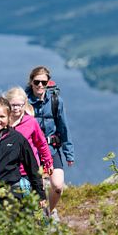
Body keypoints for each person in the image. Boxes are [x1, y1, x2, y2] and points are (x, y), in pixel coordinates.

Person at [0, 97, 47, 235]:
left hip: (11, 190)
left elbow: (32, 168)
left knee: (9, 229)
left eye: (2, 116)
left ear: (9, 117)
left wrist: (40, 194)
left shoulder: (17, 139)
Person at [25, 66, 75, 221]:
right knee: (36, 187)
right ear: (31, 82)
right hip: (31, 150)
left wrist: (69, 153)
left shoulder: (55, 101)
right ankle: (38, 217)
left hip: (51, 149)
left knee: (58, 186)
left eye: (44, 82)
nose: (40, 85)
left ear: (48, 83)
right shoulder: (24, 102)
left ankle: (48, 212)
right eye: (37, 82)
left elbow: (63, 127)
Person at [4, 86, 54, 200]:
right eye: (13, 105)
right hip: (8, 171)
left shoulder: (31, 122)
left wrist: (48, 162)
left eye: (19, 105)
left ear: (24, 104)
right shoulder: (3, 122)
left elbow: (41, 143)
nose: (16, 108)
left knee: (32, 204)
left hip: (29, 171)